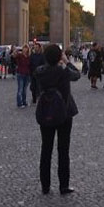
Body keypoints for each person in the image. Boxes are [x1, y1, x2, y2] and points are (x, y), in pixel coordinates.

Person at [35, 43, 80, 195]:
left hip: (46, 111)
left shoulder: (40, 72)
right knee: (63, 150)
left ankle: (45, 186)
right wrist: (66, 62)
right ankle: (63, 186)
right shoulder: (63, 72)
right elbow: (77, 74)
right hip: (64, 113)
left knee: (45, 149)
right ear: (59, 56)